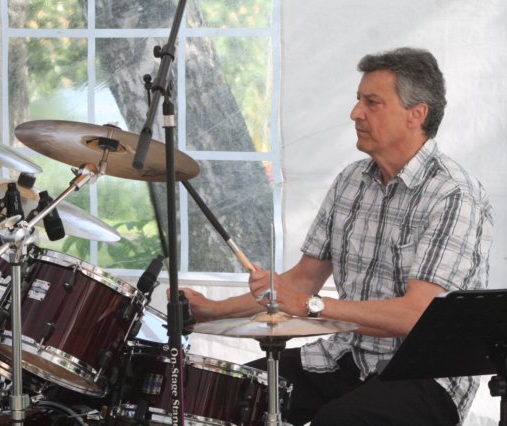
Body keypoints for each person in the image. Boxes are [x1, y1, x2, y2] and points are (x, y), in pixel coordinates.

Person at [181, 47, 493, 426]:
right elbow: (300, 282)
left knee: (339, 420)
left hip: (424, 374)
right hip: (348, 355)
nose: (355, 113)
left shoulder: (453, 194)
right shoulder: (350, 181)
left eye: (372, 102)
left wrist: (311, 306)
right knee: (225, 393)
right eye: (358, 100)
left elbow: (418, 315)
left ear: (417, 114)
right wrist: (211, 310)